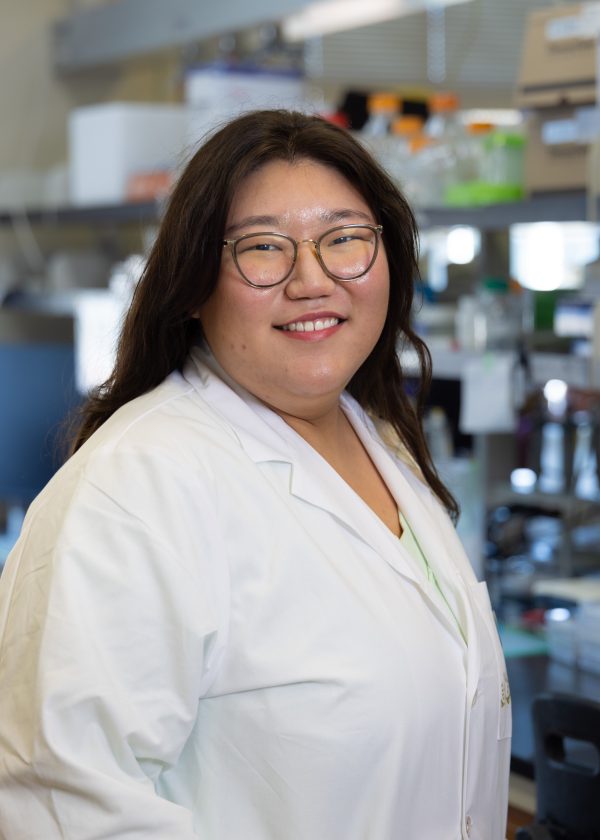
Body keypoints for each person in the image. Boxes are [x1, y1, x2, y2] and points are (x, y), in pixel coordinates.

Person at [0, 109, 510, 839]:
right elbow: (58, 806)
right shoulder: (136, 487)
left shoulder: (381, 441)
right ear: (195, 283)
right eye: (263, 248)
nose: (314, 280)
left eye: (345, 239)